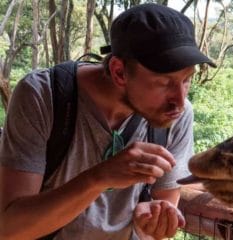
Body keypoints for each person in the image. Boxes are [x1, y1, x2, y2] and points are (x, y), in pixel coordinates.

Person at [0, 3, 215, 240]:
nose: (180, 101)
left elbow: (165, 201)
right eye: (164, 82)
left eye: (186, 80)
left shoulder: (176, 115)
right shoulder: (44, 97)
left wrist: (153, 218)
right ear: (119, 72)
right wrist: (99, 177)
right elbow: (10, 230)